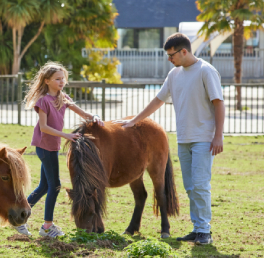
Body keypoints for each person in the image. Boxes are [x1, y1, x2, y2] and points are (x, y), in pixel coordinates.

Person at [118, 33, 224, 245]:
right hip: (183, 139)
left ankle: (204, 231)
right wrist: (134, 121)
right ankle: (197, 228)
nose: (169, 58)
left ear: (184, 51)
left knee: (201, 184)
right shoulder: (174, 74)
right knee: (190, 185)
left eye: (171, 54)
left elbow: (218, 103)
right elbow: (158, 101)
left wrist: (218, 136)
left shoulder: (206, 71)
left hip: (204, 138)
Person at [12, 61, 104, 238]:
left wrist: (95, 117)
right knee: (55, 186)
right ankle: (47, 227)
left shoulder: (63, 97)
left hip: (51, 147)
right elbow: (44, 127)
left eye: (63, 78)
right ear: (47, 80)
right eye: (57, 79)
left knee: (45, 186)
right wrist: (66, 136)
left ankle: (18, 216)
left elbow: (82, 113)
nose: (61, 82)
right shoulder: (43, 101)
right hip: (44, 147)